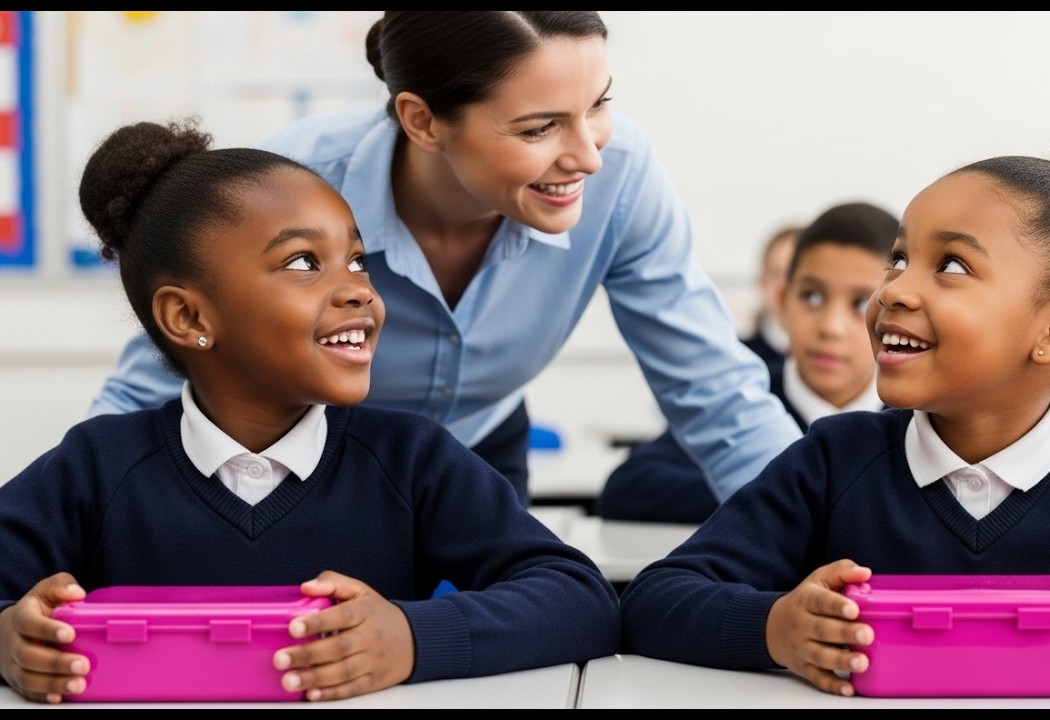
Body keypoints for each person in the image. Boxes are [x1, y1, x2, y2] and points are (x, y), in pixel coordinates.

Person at [618, 123, 1050, 698]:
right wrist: (776, 628)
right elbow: (656, 599)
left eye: (953, 266)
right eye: (900, 258)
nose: (892, 290)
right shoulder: (833, 461)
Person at [0, 119, 619, 704]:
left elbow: (581, 601)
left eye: (357, 260)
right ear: (187, 317)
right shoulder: (96, 468)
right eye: (303, 263)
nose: (358, 289)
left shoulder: (411, 460)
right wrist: (6, 640)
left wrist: (411, 638)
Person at [83, 11, 803, 509]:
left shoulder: (623, 177)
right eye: (539, 128)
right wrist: (63, 545)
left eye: (598, 105)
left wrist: (810, 536)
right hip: (302, 467)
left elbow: (717, 393)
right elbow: (148, 390)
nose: (588, 154)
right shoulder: (287, 188)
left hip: (480, 456)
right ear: (422, 121)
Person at [595, 202, 897, 523]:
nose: (831, 327)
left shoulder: (918, 419)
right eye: (812, 297)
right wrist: (785, 493)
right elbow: (627, 489)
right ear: (782, 303)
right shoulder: (741, 398)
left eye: (861, 304)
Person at [741, 224, 802, 377]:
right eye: (776, 274)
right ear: (761, 282)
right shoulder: (736, 358)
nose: (784, 287)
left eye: (793, 276)